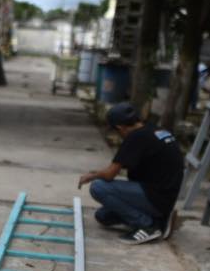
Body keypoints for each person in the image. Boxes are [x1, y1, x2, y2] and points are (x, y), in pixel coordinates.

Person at [77, 101, 183, 245]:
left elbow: (109, 175)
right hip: (164, 195)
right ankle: (160, 218)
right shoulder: (153, 130)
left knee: (98, 187)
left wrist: (92, 175)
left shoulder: (135, 137)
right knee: (103, 216)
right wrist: (100, 172)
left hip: (156, 197)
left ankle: (148, 225)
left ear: (120, 127)